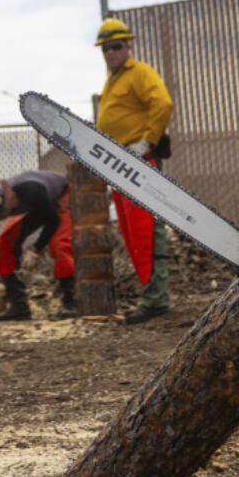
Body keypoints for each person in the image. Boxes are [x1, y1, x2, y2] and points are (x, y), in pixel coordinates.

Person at [93, 18, 173, 324]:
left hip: (139, 162)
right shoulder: (112, 81)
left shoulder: (139, 73)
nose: (112, 53)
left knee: (146, 229)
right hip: (120, 165)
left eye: (117, 46)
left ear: (128, 46)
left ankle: (156, 299)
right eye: (107, 48)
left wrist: (145, 143)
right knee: (131, 232)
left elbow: (163, 103)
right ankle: (150, 295)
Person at [0, 171, 75, 321]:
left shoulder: (32, 191)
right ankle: (18, 305)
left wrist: (36, 249)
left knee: (59, 243)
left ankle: (71, 301)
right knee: (5, 243)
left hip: (61, 196)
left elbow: (53, 220)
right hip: (38, 206)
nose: (6, 215)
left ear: (10, 196)